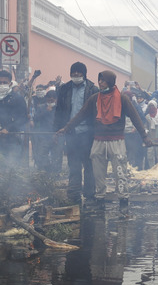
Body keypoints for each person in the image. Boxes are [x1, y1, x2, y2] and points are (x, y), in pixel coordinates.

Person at [57, 70, 152, 215]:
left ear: (110, 82)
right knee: (98, 174)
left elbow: (135, 117)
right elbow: (80, 115)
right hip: (99, 141)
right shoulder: (94, 99)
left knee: (120, 173)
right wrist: (66, 128)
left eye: (103, 80)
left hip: (117, 141)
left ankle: (123, 203)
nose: (100, 82)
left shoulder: (122, 99)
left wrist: (144, 136)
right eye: (99, 80)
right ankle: (99, 201)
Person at [55, 62, 99, 203]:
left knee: (89, 165)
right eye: (73, 72)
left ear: (84, 74)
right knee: (73, 164)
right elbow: (59, 111)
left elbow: (97, 113)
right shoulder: (65, 89)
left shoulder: (93, 89)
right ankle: (74, 193)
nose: (76, 75)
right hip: (71, 133)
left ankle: (89, 194)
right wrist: (56, 130)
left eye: (79, 72)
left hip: (88, 133)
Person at [0, 69, 29, 165]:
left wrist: (8, 128)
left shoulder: (18, 99)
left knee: (13, 167)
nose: (2, 84)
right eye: (0, 82)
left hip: (13, 139)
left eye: (5, 82)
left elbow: (23, 118)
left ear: (10, 84)